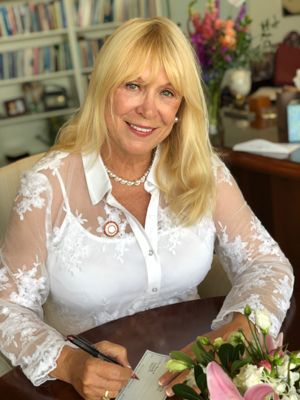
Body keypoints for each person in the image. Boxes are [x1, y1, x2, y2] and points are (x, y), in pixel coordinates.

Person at [0, 16, 294, 400]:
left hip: (196, 375)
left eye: (167, 92)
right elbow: (7, 306)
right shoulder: (47, 185)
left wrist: (239, 327)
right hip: (88, 387)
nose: (149, 110)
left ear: (181, 106)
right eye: (133, 86)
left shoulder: (203, 170)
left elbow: (267, 264)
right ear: (103, 87)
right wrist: (68, 362)